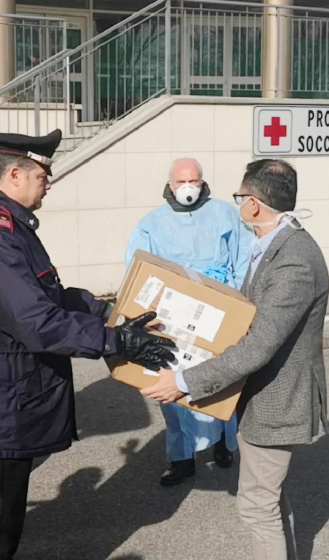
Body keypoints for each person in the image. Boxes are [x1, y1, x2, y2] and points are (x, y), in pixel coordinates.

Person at [0, 129, 177, 560]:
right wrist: (115, 341)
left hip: (8, 398)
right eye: (43, 175)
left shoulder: (8, 225)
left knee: (4, 526)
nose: (48, 183)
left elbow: (47, 295)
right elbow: (36, 321)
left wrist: (104, 310)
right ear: (15, 174)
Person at [142, 159, 329, 560]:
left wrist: (184, 381)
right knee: (271, 503)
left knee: (257, 506)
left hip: (278, 402)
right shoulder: (272, 244)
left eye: (240, 197)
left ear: (255, 204)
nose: (238, 204)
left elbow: (259, 345)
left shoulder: (293, 260)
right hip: (261, 397)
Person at [125, 157, 253, 486]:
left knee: (221, 379)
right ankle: (182, 459)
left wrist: (238, 305)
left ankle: (226, 444)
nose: (187, 188)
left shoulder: (225, 214)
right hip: (172, 316)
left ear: (203, 182)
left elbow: (242, 258)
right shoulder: (152, 223)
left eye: (193, 181)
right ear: (170, 185)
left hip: (219, 311)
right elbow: (137, 268)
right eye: (181, 181)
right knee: (173, 385)